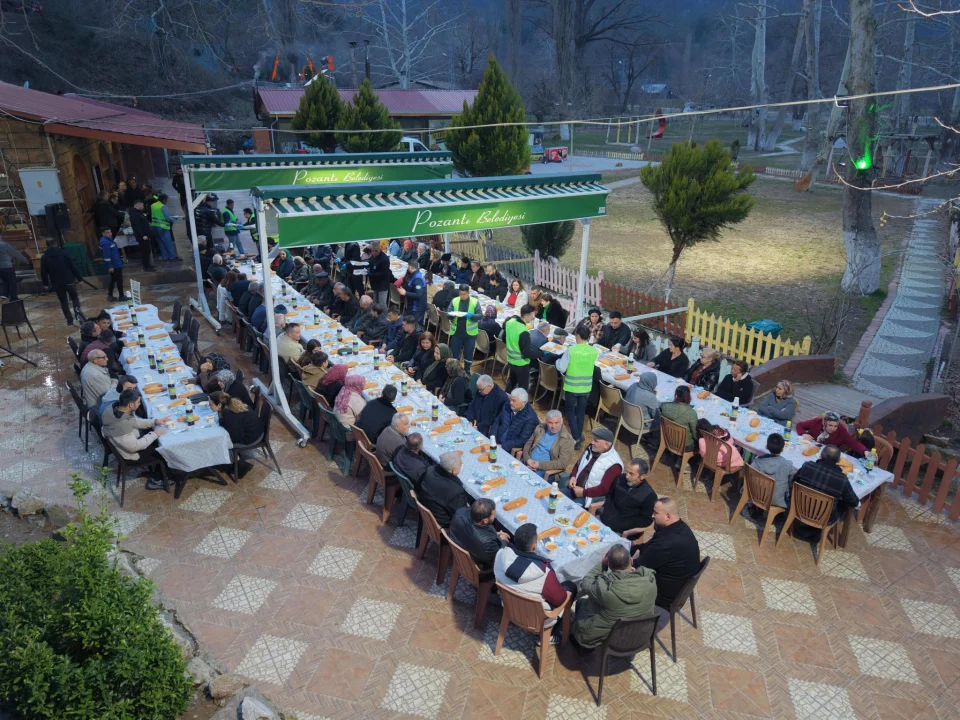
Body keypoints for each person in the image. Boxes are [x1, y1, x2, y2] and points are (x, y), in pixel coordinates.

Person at [573, 545, 657, 649]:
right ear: (631, 561)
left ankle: (580, 644)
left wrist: (602, 564)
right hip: (639, 636)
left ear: (610, 566)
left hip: (613, 640)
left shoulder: (606, 589)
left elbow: (586, 583)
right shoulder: (650, 579)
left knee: (581, 602)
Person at [632, 497, 701, 613]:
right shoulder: (680, 527)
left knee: (620, 585)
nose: (652, 515)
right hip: (677, 585)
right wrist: (631, 548)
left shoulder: (665, 544)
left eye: (655, 513)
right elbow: (648, 546)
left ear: (667, 516)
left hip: (664, 595)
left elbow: (639, 565)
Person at [494, 523, 573, 624]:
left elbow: (505, 549)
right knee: (571, 587)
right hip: (537, 619)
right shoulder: (544, 572)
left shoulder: (500, 555)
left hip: (509, 606)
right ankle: (556, 631)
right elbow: (559, 600)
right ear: (534, 546)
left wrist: (504, 541)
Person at [100, 389, 169, 489]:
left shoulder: (116, 410)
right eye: (138, 402)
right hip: (131, 456)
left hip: (128, 442)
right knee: (162, 450)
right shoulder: (121, 425)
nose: (140, 404)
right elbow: (135, 447)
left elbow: (135, 422)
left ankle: (154, 471)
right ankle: (157, 480)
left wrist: (155, 422)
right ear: (131, 405)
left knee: (153, 438)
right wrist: (154, 434)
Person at [790, 445, 861, 524]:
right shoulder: (842, 479)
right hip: (824, 517)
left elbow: (794, 482)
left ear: (820, 456)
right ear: (838, 460)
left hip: (799, 507)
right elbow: (854, 502)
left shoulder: (807, 466)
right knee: (843, 503)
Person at [556, 325, 599, 449]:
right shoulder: (594, 351)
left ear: (578, 335)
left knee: (570, 412)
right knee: (580, 413)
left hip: (572, 386)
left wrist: (557, 362)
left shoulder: (571, 350)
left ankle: (576, 437)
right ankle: (578, 435)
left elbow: (562, 367)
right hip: (585, 387)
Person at [450, 498, 510, 581]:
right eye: (493, 514)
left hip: (464, 544)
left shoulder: (460, 512)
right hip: (479, 565)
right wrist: (503, 540)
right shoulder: (487, 543)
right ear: (484, 521)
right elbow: (498, 561)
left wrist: (494, 535)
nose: (495, 515)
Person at [594, 457, 657, 536]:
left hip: (621, 531)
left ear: (642, 477)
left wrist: (624, 524)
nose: (627, 476)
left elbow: (646, 520)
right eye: (627, 472)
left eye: (631, 474)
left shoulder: (649, 496)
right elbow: (610, 495)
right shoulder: (620, 479)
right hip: (603, 519)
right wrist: (607, 510)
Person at [563, 427, 623, 508]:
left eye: (596, 441)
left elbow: (604, 489)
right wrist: (573, 476)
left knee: (567, 511)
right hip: (574, 488)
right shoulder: (591, 448)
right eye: (593, 439)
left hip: (588, 498)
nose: (592, 442)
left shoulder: (614, 465)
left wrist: (583, 492)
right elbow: (578, 464)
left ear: (606, 445)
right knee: (553, 497)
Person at [419, 451, 470, 528]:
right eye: (460, 463)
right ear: (454, 471)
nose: (462, 464)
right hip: (446, 522)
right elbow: (462, 515)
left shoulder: (430, 470)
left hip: (432, 507)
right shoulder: (454, 490)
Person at [40, 238, 84, 325]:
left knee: (63, 302)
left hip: (57, 283)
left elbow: (43, 272)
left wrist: (45, 283)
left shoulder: (44, 257)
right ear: (56, 243)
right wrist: (79, 279)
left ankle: (69, 321)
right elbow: (73, 266)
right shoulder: (64, 253)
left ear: (47, 245)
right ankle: (79, 317)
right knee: (75, 298)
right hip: (69, 280)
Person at [522, 410, 575, 478]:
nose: (553, 426)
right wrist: (527, 459)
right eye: (550, 423)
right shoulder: (540, 428)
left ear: (561, 421)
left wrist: (539, 465)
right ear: (546, 421)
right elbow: (528, 444)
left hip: (545, 470)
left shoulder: (566, 439)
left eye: (556, 423)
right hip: (529, 462)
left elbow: (562, 463)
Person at [750, 433, 795, 510]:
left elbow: (750, 473)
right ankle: (780, 515)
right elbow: (793, 481)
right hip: (777, 501)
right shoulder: (788, 464)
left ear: (766, 446)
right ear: (783, 449)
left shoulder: (757, 461)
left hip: (755, 494)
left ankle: (756, 508)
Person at [489, 388, 539, 454]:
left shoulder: (530, 418)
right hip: (495, 442)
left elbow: (522, 440)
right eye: (511, 399)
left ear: (523, 403)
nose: (511, 402)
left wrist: (502, 446)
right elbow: (497, 422)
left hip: (508, 449)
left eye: (514, 401)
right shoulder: (507, 405)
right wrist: (493, 438)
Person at [796, 411, 867, 457]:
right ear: (824, 422)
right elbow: (799, 425)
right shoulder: (816, 422)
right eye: (830, 425)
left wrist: (865, 451)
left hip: (827, 456)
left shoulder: (841, 431)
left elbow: (853, 442)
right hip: (808, 449)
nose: (833, 428)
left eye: (835, 426)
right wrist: (803, 434)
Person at [503, 304, 539, 393]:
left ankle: (505, 400)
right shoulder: (524, 331)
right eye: (533, 315)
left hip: (510, 360)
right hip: (521, 364)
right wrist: (541, 353)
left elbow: (504, 338)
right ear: (527, 315)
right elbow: (526, 353)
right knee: (523, 388)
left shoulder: (510, 322)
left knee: (511, 382)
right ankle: (521, 406)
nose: (533, 318)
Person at [445, 283, 480, 365]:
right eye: (460, 294)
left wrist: (471, 316)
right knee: (454, 354)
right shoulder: (455, 300)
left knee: (468, 354)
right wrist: (452, 315)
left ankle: (467, 370)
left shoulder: (475, 302)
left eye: (464, 294)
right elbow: (448, 313)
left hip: (470, 335)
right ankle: (454, 370)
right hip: (456, 333)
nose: (462, 296)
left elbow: (480, 316)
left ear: (468, 292)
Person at [660, 385, 699, 454]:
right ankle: (686, 461)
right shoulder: (691, 413)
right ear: (689, 396)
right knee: (700, 441)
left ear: (676, 394)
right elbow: (694, 433)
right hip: (684, 446)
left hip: (667, 439)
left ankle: (673, 456)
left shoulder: (665, 406)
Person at [125, 199, 156, 271]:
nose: (143, 206)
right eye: (142, 205)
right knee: (145, 251)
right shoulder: (134, 214)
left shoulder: (138, 212)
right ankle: (146, 266)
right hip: (143, 236)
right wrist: (143, 235)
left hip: (145, 234)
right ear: (138, 205)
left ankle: (147, 264)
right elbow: (136, 226)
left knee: (147, 250)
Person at [99, 228, 127, 301]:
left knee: (113, 280)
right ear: (103, 233)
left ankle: (110, 295)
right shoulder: (105, 242)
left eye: (110, 232)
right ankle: (121, 296)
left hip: (116, 263)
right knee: (119, 280)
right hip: (115, 265)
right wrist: (110, 266)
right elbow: (106, 256)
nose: (110, 234)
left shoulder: (107, 240)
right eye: (107, 233)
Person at [150, 193, 178, 261]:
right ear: (164, 200)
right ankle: (172, 256)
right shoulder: (163, 206)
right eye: (166, 200)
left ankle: (165, 257)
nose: (167, 201)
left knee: (160, 242)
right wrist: (174, 219)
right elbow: (168, 218)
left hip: (154, 226)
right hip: (163, 227)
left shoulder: (153, 205)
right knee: (168, 242)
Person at [398, 260, 427, 326]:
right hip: (412, 306)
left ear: (410, 267)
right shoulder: (414, 275)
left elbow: (419, 295)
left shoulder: (417, 279)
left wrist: (405, 293)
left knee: (414, 326)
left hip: (416, 307)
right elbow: (410, 286)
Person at [0, 236, 28, 301]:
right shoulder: (4, 245)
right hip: (7, 266)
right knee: (12, 282)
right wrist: (24, 259)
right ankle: (13, 298)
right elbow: (15, 253)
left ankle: (4, 296)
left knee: (4, 281)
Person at [366, 242, 393, 308]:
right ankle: (376, 316)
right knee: (375, 302)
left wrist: (370, 274)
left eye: (376, 251)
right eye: (372, 251)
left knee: (382, 304)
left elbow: (383, 274)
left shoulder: (384, 259)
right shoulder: (373, 256)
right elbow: (371, 263)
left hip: (382, 285)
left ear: (379, 249)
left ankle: (384, 317)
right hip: (375, 283)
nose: (374, 253)